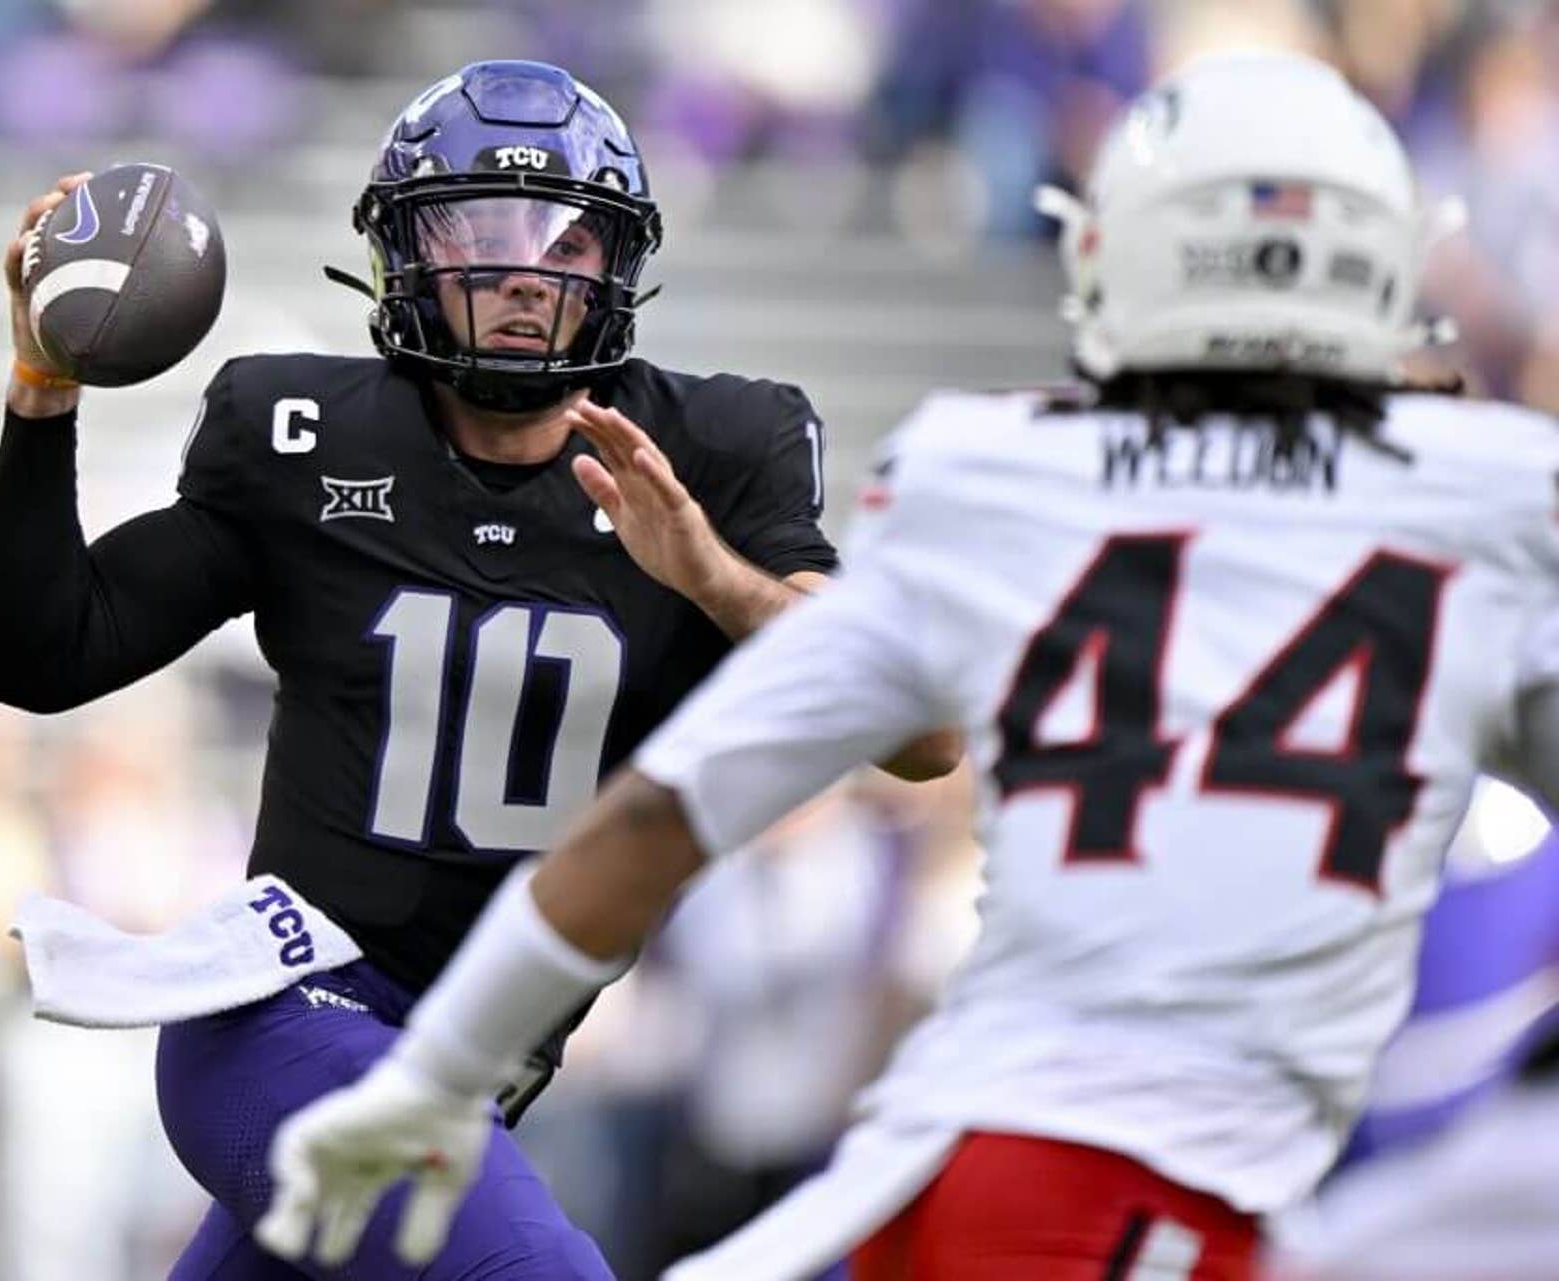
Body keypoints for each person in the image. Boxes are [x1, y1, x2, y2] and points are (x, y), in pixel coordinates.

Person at [265, 51, 1559, 1281]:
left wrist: (435, 1075)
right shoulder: (1491, 499)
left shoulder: (998, 466)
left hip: (918, 1177)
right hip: (1168, 1196)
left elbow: (662, 811)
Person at [0, 59, 956, 1281]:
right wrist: (41, 385)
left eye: (564, 240)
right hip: (286, 1019)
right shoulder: (302, 435)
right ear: (401, 253)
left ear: (617, 264)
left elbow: (925, 736)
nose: (520, 273)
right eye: (475, 232)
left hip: (476, 1069)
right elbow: (42, 655)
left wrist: (710, 574)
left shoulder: (711, 450)